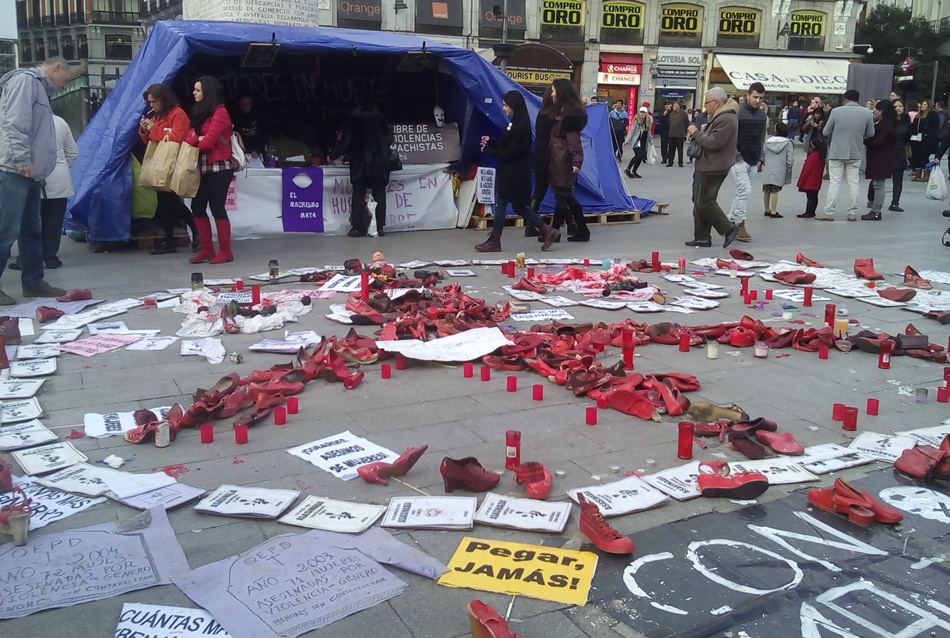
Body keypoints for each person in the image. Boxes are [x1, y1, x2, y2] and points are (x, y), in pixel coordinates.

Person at [0, 56, 72, 304]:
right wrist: (22, 160)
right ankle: (30, 281)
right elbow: (15, 122)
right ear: (57, 67)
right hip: (15, 170)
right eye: (65, 80)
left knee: (31, 230)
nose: (64, 86)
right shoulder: (26, 81)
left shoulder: (37, 88)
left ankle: (33, 282)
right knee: (6, 229)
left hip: (29, 174)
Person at [474, 91, 559, 252]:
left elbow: (511, 152)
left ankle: (495, 240)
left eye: (506, 105)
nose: (504, 108)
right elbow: (509, 146)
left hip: (512, 175)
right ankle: (547, 230)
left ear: (514, 105)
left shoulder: (520, 126)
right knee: (520, 208)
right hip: (516, 173)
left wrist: (490, 151)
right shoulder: (516, 123)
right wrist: (491, 142)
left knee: (501, 204)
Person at [9, 114, 78, 271]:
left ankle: (26, 259)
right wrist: (61, 166)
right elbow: (73, 152)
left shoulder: (21, 123)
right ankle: (50, 257)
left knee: (29, 224)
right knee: (53, 222)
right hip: (59, 179)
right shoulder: (61, 122)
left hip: (31, 178)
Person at [137, 83, 196, 255]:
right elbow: (151, 142)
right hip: (161, 164)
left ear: (163, 99)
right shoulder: (157, 116)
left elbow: (175, 138)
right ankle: (169, 240)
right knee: (164, 204)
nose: (151, 105)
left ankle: (195, 231)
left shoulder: (179, 115)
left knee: (173, 202)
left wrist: (154, 130)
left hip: (173, 164)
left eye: (154, 101)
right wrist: (144, 129)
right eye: (150, 102)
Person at [185, 76, 235, 264]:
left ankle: (225, 251)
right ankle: (206, 249)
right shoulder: (201, 112)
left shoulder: (220, 113)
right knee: (197, 206)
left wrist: (198, 138)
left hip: (219, 167)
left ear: (208, 92)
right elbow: (189, 137)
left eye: (197, 90)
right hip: (202, 167)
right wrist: (198, 138)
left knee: (217, 208)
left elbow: (206, 142)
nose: (194, 93)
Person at [684, 87, 741, 249]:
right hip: (710, 163)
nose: (705, 106)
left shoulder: (726, 118)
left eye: (707, 103)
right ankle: (702, 237)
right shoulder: (722, 116)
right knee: (700, 202)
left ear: (716, 103)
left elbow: (713, 142)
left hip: (715, 165)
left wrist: (696, 132)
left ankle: (729, 228)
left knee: (706, 202)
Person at [330, 103, 394, 238]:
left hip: (360, 163)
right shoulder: (381, 121)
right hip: (380, 163)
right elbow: (389, 139)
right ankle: (380, 227)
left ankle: (357, 228)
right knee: (379, 194)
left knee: (358, 194)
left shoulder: (353, 122)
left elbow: (345, 143)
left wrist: (332, 155)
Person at [815, 89, 874, 222]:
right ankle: (852, 213)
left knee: (834, 183)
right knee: (853, 184)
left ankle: (829, 212)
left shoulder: (836, 112)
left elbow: (825, 131)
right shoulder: (867, 113)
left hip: (837, 152)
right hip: (855, 152)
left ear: (845, 99)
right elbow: (870, 133)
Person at [525, 86, 575, 241]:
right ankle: (569, 224)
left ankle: (530, 224)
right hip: (552, 155)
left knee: (539, 191)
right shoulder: (556, 116)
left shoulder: (541, 114)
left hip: (539, 153)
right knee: (560, 191)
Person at [548, 78, 589, 243]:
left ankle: (557, 231)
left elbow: (574, 142)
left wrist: (576, 162)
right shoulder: (565, 112)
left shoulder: (568, 116)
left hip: (564, 162)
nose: (551, 94)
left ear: (561, 92)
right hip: (560, 160)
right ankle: (563, 231)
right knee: (564, 196)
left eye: (553, 90)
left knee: (563, 195)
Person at [728, 82, 767, 243]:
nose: (758, 100)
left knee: (741, 191)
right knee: (744, 191)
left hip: (753, 158)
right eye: (755, 97)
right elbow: (731, 135)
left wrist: (760, 158)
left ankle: (731, 219)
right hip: (739, 158)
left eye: (761, 98)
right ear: (748, 95)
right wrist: (736, 156)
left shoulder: (762, 115)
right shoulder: (738, 112)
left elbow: (762, 137)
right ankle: (739, 223)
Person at [870, 99, 910, 212]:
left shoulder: (906, 120)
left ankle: (895, 202)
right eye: (895, 106)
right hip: (888, 152)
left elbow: (907, 136)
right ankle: (872, 200)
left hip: (899, 151)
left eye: (900, 106)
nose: (898, 108)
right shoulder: (887, 122)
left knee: (897, 179)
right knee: (878, 180)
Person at [861, 100, 897, 221]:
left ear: (881, 111)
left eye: (876, 110)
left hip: (881, 158)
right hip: (882, 157)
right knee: (877, 184)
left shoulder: (884, 125)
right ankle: (876, 210)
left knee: (879, 185)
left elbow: (877, 141)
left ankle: (876, 210)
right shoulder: (886, 123)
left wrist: (865, 140)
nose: (875, 112)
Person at [796, 117, 827, 219]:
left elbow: (806, 170)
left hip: (809, 181)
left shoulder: (812, 157)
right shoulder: (821, 157)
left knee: (810, 197)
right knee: (815, 196)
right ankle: (812, 211)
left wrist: (800, 182)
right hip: (817, 181)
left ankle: (808, 212)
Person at [761, 122, 793, 219]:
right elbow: (790, 158)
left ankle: (767, 209)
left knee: (767, 190)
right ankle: (774, 211)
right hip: (779, 168)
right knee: (775, 190)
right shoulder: (787, 143)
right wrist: (788, 167)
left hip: (768, 168)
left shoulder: (768, 141)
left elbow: (763, 154)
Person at [230, 94, 267, 159]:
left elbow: (263, 133)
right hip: (241, 150)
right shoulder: (235, 115)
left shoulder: (260, 114)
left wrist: (257, 149)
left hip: (257, 149)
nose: (245, 107)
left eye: (248, 104)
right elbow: (234, 135)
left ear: (252, 102)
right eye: (243, 105)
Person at [910, 99, 938, 180]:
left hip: (927, 140)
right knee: (917, 156)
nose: (922, 106)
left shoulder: (932, 115)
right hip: (917, 139)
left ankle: (926, 174)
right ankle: (918, 174)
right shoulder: (919, 116)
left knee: (924, 157)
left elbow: (934, 128)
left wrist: (929, 136)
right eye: (922, 104)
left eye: (925, 105)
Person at [623, 107, 652, 178]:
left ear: (646, 113)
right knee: (638, 155)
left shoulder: (648, 121)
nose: (642, 114)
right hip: (636, 142)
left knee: (641, 157)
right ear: (639, 113)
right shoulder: (636, 121)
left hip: (643, 142)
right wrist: (626, 141)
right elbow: (631, 132)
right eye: (641, 112)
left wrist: (651, 141)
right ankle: (628, 169)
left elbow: (649, 133)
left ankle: (634, 171)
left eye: (644, 112)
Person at [666, 102, 689, 168]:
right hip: (672, 134)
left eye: (675, 105)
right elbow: (670, 122)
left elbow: (686, 123)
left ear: (679, 106)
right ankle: (670, 162)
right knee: (671, 149)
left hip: (680, 134)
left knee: (680, 149)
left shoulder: (683, 114)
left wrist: (686, 133)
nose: (674, 107)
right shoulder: (671, 114)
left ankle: (680, 162)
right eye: (673, 106)